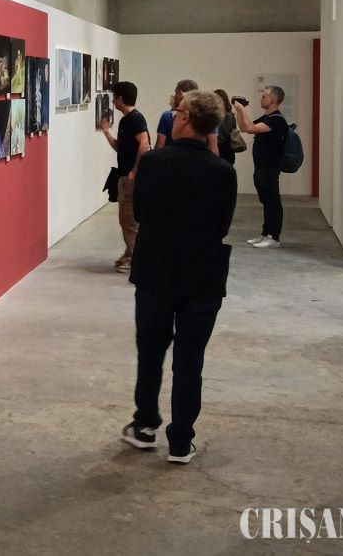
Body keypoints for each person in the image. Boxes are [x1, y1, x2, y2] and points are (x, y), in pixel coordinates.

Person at [121, 90, 238, 465]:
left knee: (151, 352)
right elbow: (222, 225)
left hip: (155, 270)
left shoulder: (154, 162)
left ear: (185, 118)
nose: (174, 115)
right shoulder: (224, 172)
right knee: (190, 360)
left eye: (178, 111)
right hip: (203, 275)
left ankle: (145, 425)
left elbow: (139, 211)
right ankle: (181, 441)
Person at [100, 81, 150, 273]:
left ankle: (137, 260)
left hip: (131, 179)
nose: (113, 101)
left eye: (114, 97)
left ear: (120, 98)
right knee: (126, 219)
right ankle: (130, 254)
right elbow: (120, 148)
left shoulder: (134, 119)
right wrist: (106, 132)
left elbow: (144, 143)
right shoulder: (126, 120)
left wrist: (134, 172)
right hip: (125, 176)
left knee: (129, 219)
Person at [233, 85, 288, 249]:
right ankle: (266, 233)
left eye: (264, 96)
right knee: (266, 200)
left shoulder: (277, 120)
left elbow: (250, 128)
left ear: (274, 100)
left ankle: (274, 237)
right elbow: (244, 128)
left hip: (270, 168)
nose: (261, 99)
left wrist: (242, 110)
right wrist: (239, 112)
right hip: (261, 167)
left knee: (272, 201)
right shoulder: (267, 117)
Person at [155, 79, 218, 155]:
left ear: (180, 93)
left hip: (171, 158)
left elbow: (159, 146)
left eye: (176, 93)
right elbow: (213, 149)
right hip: (201, 158)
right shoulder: (206, 116)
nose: (174, 96)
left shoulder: (167, 116)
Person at [213, 89, 238, 164]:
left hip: (216, 147)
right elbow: (233, 130)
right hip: (228, 149)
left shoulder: (213, 115)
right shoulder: (231, 114)